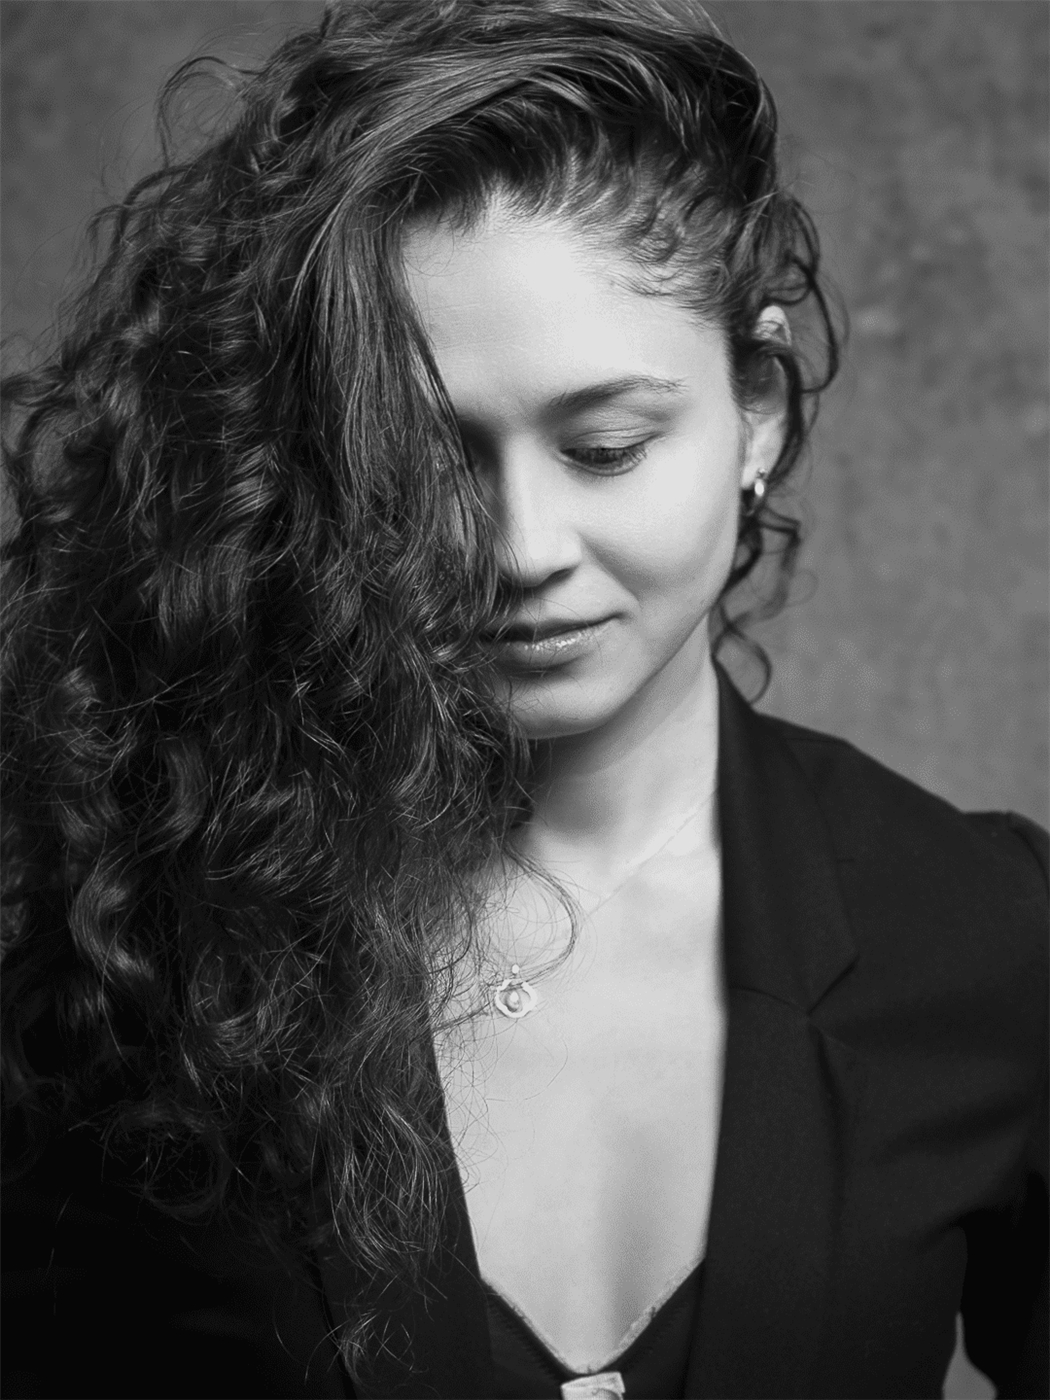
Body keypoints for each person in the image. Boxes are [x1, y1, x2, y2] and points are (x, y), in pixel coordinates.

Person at [2, 2, 1045, 1398]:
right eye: (423, 462)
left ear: (759, 407)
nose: (517, 548)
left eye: (605, 446)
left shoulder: (985, 934)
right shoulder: (137, 946)